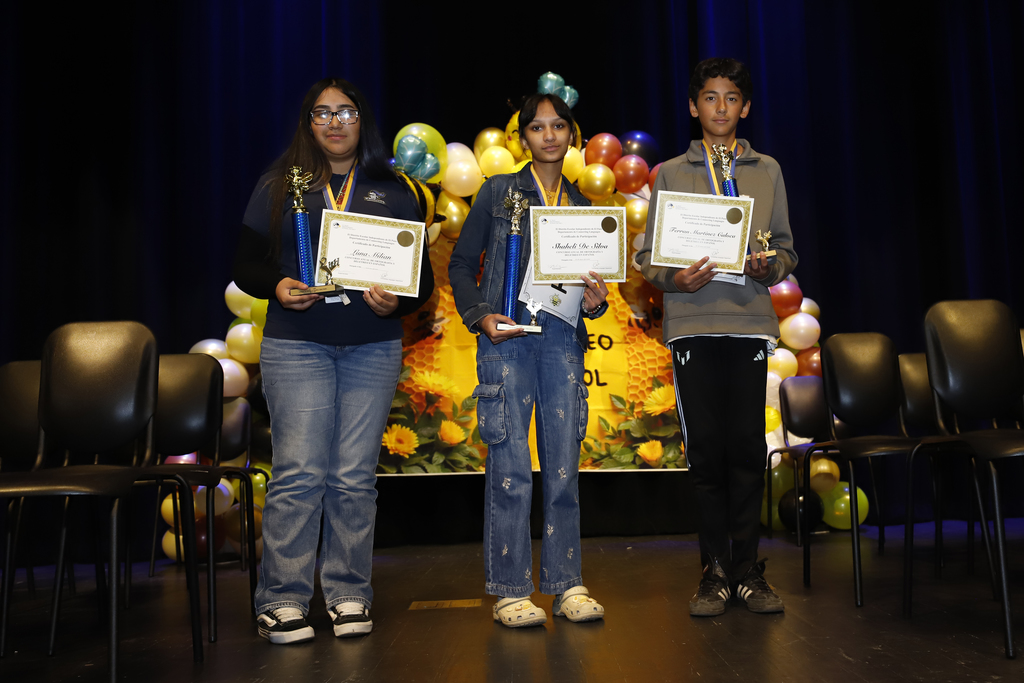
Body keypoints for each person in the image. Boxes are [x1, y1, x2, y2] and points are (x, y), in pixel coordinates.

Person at [233, 77, 434, 644]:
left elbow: (423, 282)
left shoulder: (395, 190)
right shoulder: (279, 185)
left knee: (353, 479)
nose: (334, 122)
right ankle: (282, 600)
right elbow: (246, 263)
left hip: (372, 347)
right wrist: (275, 285)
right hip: (298, 345)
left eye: (345, 112)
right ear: (308, 123)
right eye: (322, 113)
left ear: (361, 121)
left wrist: (400, 298)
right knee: (299, 475)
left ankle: (348, 592)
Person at [636, 58, 797, 616]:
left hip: (749, 322)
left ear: (745, 107)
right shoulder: (670, 172)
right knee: (705, 452)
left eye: (732, 98)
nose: (721, 107)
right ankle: (714, 571)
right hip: (692, 325)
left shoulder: (767, 169)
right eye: (710, 97)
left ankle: (749, 569)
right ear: (693, 106)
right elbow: (645, 256)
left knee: (749, 449)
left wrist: (768, 265)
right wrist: (672, 277)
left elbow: (787, 249)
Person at [449, 92, 609, 628]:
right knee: (511, 468)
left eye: (558, 126)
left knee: (563, 470)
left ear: (571, 135)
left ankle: (567, 584)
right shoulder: (498, 192)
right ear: (523, 139)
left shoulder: (584, 209)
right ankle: (512, 590)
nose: (548, 135)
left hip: (562, 342)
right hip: (507, 341)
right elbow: (460, 264)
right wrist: (480, 315)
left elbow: (594, 292)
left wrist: (597, 299)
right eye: (537, 128)